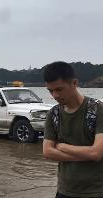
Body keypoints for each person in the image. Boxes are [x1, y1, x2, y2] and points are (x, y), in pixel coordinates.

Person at [43, 62, 103, 198]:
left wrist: (63, 147)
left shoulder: (98, 109)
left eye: (59, 89)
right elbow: (47, 152)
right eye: (50, 91)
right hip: (65, 191)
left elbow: (96, 153)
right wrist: (86, 155)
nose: (55, 95)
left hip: (97, 191)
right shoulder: (54, 114)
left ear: (74, 83)